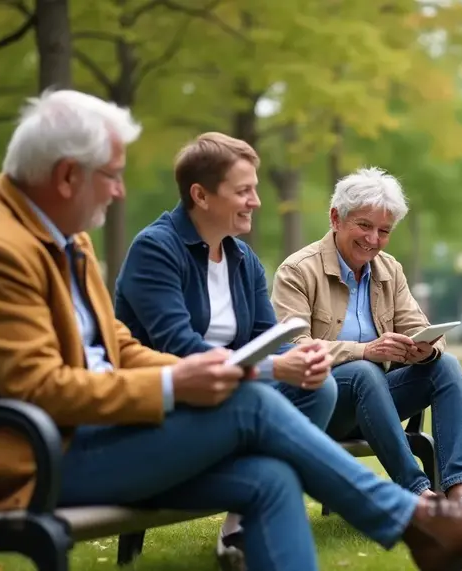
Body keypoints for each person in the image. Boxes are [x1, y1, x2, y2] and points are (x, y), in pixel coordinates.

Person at [0, 89, 462, 571]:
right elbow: (39, 389)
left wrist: (185, 373)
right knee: (250, 407)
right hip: (23, 461)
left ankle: (424, 519)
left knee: (267, 479)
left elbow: (116, 346)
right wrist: (179, 383)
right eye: (112, 174)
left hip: (88, 438)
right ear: (65, 176)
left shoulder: (63, 238)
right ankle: (418, 521)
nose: (121, 188)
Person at [113, 132, 337, 568]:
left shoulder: (242, 258)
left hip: (233, 390)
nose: (255, 201)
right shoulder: (155, 249)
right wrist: (276, 368)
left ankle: (239, 526)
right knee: (275, 394)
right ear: (201, 195)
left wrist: (300, 359)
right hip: (171, 397)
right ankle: (400, 511)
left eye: (254, 188)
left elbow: (263, 337)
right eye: (243, 191)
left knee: (320, 388)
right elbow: (179, 348)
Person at [270, 166, 462, 505]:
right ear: (336, 218)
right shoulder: (297, 271)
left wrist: (423, 349)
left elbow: (420, 327)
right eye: (364, 226)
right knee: (363, 371)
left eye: (384, 231)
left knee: (446, 367)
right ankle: (418, 495)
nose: (373, 240)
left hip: (377, 405)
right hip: (321, 406)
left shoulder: (389, 269)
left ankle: (460, 493)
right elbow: (291, 347)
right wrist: (364, 351)